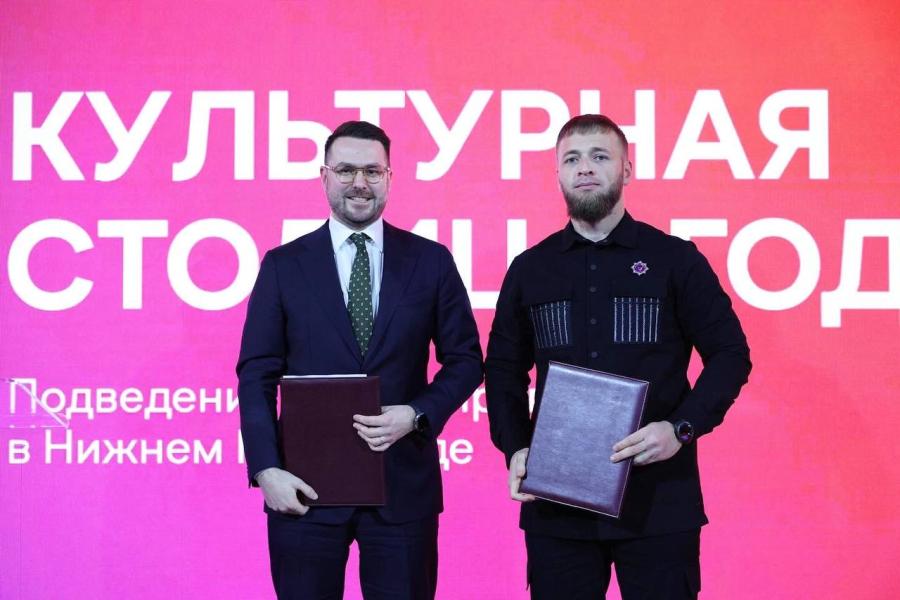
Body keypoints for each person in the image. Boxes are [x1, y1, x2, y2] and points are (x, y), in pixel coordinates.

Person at [485, 114, 751, 599]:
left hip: (659, 501)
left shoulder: (675, 260)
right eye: (572, 159)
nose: (585, 167)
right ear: (558, 174)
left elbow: (731, 354)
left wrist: (680, 429)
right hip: (558, 504)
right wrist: (516, 448)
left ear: (627, 170)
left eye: (599, 156)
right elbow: (503, 369)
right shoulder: (530, 269)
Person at [237, 120, 482, 600]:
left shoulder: (430, 261)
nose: (359, 183)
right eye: (346, 170)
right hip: (303, 489)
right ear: (324, 176)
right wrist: (265, 470)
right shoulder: (284, 265)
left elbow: (467, 360)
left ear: (389, 177)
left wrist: (416, 413)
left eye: (372, 171)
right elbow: (256, 374)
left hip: (402, 489)